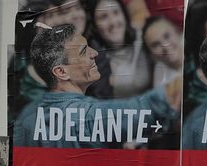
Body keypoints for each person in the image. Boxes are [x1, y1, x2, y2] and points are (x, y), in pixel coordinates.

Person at [13, 24, 181, 148]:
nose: (94, 53)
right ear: (61, 72)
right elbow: (153, 106)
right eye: (83, 51)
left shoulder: (26, 116)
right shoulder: (88, 117)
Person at [87, 0, 152, 97]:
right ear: (95, 26)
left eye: (116, 12)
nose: (113, 22)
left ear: (125, 16)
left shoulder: (143, 40)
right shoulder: (94, 59)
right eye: (104, 17)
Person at [143, 16, 183, 87]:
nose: (165, 46)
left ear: (177, 31)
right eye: (156, 44)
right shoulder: (160, 80)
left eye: (167, 36)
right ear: (151, 56)